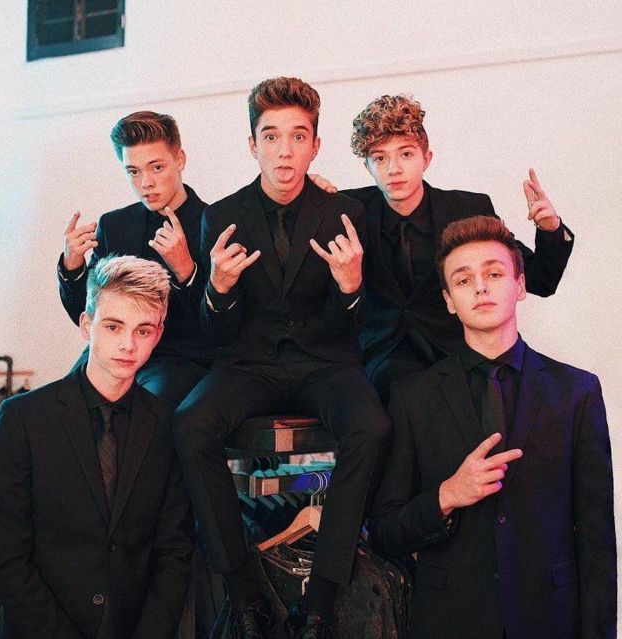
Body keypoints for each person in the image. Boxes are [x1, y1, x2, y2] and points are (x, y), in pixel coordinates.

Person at [173, 77, 390, 639]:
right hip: (248, 366)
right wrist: (218, 290)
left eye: (298, 136)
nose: (284, 150)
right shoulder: (221, 214)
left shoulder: (346, 213)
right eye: (271, 136)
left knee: (371, 426)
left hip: (326, 364)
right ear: (253, 145)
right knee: (190, 424)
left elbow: (352, 328)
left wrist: (350, 287)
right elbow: (216, 334)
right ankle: (243, 591)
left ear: (315, 145)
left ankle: (322, 600)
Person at [368, 216, 616, 639]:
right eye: (463, 280)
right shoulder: (412, 398)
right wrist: (447, 496)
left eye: (494, 274)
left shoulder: (577, 392)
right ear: (449, 301)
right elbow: (384, 532)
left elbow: (597, 541)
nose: (480, 287)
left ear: (520, 285)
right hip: (449, 622)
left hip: (551, 621)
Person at [0, 255, 194, 639]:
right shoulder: (22, 418)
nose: (128, 344)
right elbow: (6, 557)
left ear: (159, 333)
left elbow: (175, 552)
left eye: (143, 330)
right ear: (86, 325)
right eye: (114, 326)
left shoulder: (168, 424)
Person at [343, 95, 574, 402]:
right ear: (367, 166)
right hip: (379, 362)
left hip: (455, 356)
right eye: (380, 158)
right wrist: (311, 189)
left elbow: (540, 280)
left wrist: (550, 229)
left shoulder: (467, 209)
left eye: (406, 154)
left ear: (427, 158)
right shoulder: (348, 210)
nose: (394, 169)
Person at [57, 111, 215, 405]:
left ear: (180, 160)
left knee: (143, 409)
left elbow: (216, 327)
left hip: (178, 360)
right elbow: (86, 313)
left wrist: (186, 270)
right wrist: (73, 265)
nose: (146, 183)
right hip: (109, 354)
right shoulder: (114, 225)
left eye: (157, 168)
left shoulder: (214, 223)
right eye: (133, 172)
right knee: (55, 407)